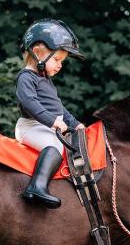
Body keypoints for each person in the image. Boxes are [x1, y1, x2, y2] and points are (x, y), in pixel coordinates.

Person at [15, 19, 86, 209]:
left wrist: (75, 122)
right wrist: (52, 121)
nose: (60, 65)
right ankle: (36, 187)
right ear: (38, 53)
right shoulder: (26, 77)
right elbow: (29, 103)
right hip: (30, 127)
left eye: (62, 61)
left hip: (46, 126)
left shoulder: (44, 80)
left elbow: (59, 108)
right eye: (57, 59)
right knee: (55, 147)